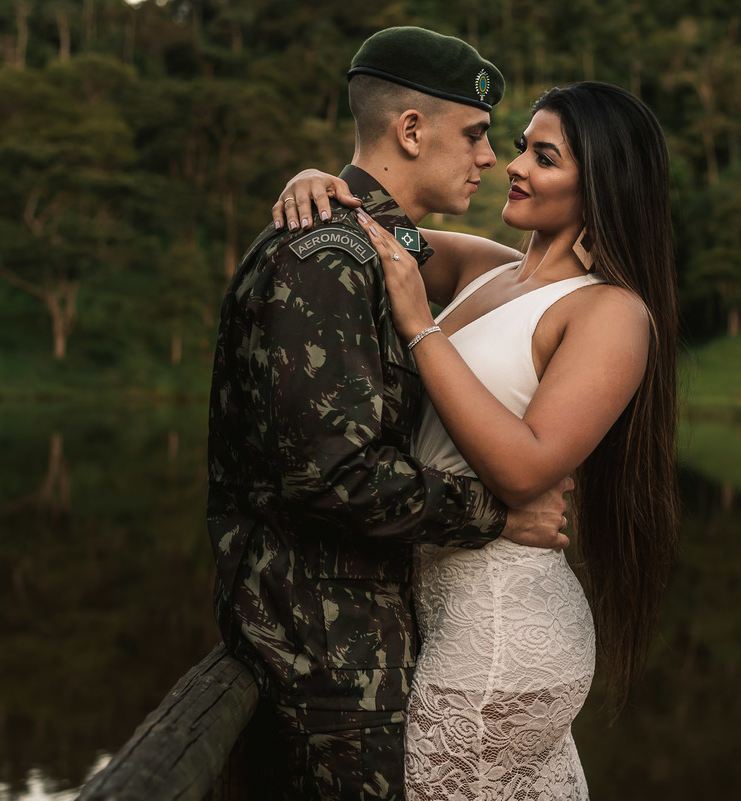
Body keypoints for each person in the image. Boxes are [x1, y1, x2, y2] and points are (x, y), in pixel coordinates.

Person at [275, 81, 681, 800]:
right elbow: (369, 223)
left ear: (602, 186)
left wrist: (419, 326)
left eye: (544, 156)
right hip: (449, 613)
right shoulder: (488, 269)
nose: (513, 164)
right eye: (522, 145)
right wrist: (317, 180)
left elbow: (526, 469)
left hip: (499, 629)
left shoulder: (610, 312)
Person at [206, 28, 573, 801]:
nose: (489, 158)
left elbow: (525, 277)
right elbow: (336, 477)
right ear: (410, 130)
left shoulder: (376, 246)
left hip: (356, 643)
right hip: (323, 654)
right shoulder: (327, 259)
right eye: (475, 135)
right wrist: (498, 514)